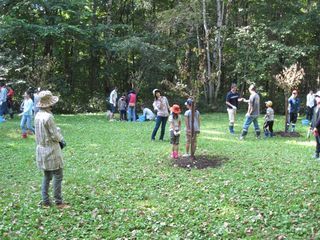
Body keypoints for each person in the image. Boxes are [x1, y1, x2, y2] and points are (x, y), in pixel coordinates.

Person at [35, 90, 69, 209]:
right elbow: (54, 135)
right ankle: (59, 202)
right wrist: (62, 139)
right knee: (58, 175)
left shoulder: (38, 115)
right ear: (49, 104)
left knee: (47, 176)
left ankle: (45, 201)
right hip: (51, 149)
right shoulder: (48, 117)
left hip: (41, 149)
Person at [311, 91, 320, 159]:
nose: (316, 98)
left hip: (319, 128)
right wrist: (312, 126)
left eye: (318, 97)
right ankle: (316, 154)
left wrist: (316, 127)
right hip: (315, 128)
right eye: (316, 97)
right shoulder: (315, 107)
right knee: (317, 141)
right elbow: (314, 118)